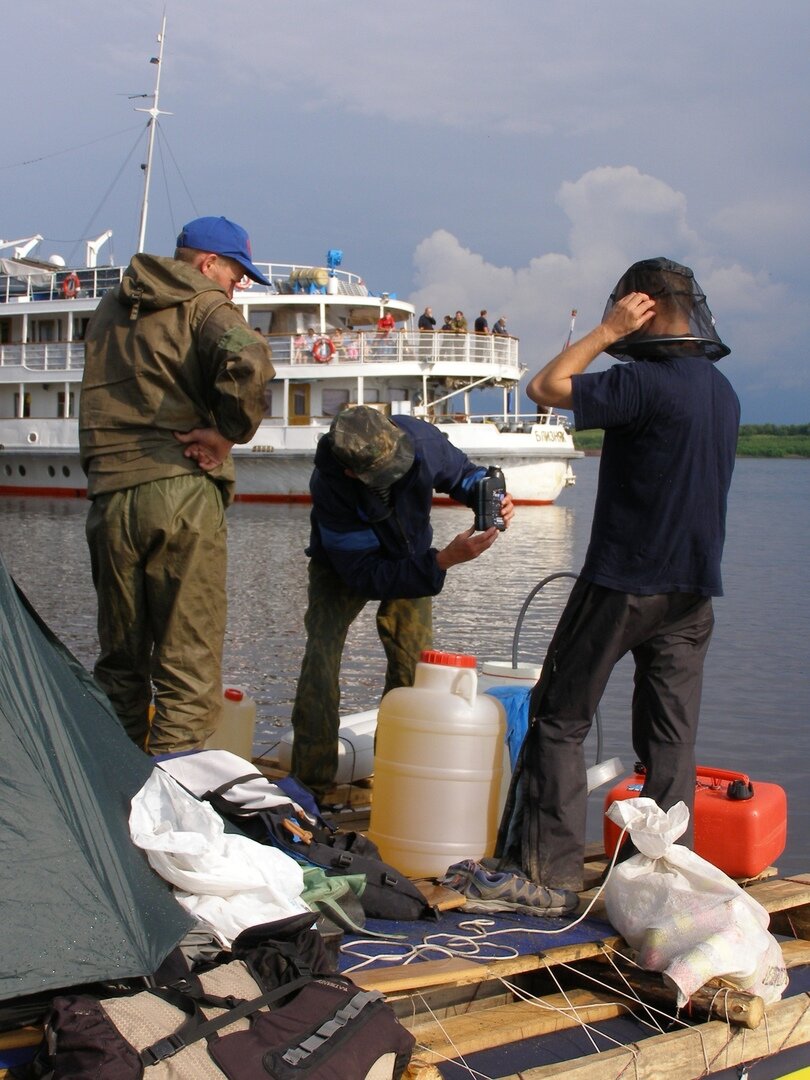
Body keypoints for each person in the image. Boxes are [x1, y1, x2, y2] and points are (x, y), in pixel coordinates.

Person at [496, 257, 740, 892]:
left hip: (624, 579)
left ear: (644, 308)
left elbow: (544, 388)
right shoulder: (723, 392)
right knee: (670, 741)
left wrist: (604, 332)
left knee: (559, 717)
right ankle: (656, 876)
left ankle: (550, 877)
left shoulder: (644, 382)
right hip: (693, 591)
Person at [79, 215, 276, 754]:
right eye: (237, 275)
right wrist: (227, 434)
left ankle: (111, 799)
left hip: (111, 496)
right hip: (181, 490)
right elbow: (250, 360)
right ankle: (172, 803)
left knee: (120, 664)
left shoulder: (109, 309)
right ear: (208, 263)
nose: (237, 287)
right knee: (186, 667)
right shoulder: (204, 302)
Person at [290, 405, 515, 800]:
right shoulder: (332, 488)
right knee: (321, 662)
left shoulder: (421, 442)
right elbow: (364, 576)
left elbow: (463, 474)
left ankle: (398, 776)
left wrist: (489, 493)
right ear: (350, 472)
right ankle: (311, 785)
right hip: (343, 567)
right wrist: (442, 561)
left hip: (409, 554)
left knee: (414, 666)